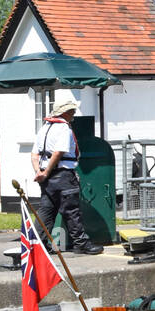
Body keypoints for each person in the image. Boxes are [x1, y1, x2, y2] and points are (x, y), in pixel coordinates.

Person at [31, 97, 103, 254]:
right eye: (72, 111)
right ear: (65, 112)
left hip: (47, 178)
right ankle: (81, 244)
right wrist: (47, 172)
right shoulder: (64, 129)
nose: (74, 114)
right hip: (63, 176)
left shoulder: (44, 128)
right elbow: (59, 152)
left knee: (46, 211)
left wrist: (40, 172)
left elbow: (34, 154)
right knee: (71, 211)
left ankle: (39, 244)